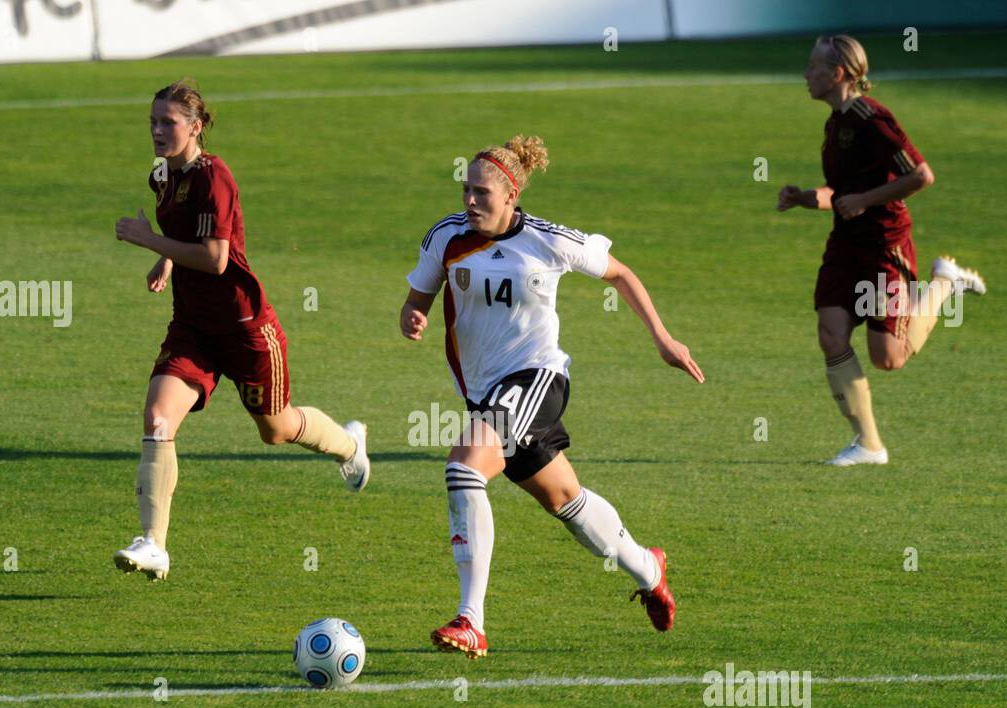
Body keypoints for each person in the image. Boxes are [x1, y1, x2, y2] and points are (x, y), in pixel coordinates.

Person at [400, 135, 704, 658]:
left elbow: (621, 273)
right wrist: (413, 315)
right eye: (465, 190)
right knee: (566, 500)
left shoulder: (549, 240)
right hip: (484, 391)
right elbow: (419, 296)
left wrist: (663, 338)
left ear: (511, 196)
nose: (469, 201)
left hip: (536, 378)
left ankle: (471, 619)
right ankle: (649, 569)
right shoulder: (446, 236)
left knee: (464, 467)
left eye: (481, 193)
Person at [113, 81, 369, 580]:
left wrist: (151, 241)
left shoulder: (217, 178)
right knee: (158, 417)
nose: (158, 132)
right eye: (152, 122)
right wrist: (166, 261)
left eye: (168, 122)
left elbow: (215, 258)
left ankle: (349, 446)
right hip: (192, 327)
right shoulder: (162, 174)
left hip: (246, 328)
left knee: (275, 430)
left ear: (196, 126)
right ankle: (154, 543)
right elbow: (186, 232)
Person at [778, 34, 986, 466]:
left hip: (881, 247)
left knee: (888, 358)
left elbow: (921, 175)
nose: (806, 74)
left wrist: (865, 201)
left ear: (838, 74)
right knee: (830, 333)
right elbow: (842, 193)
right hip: (845, 244)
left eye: (814, 66)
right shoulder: (835, 122)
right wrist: (804, 198)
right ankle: (869, 445)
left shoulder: (873, 119)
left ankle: (945, 284)